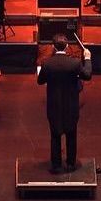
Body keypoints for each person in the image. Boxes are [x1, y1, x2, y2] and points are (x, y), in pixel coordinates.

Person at [36, 34, 92, 173]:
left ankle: (56, 165)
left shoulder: (47, 63)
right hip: (71, 106)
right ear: (67, 46)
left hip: (54, 106)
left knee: (55, 136)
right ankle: (71, 164)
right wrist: (87, 58)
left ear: (53, 47)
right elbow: (87, 75)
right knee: (71, 135)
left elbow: (40, 81)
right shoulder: (75, 63)